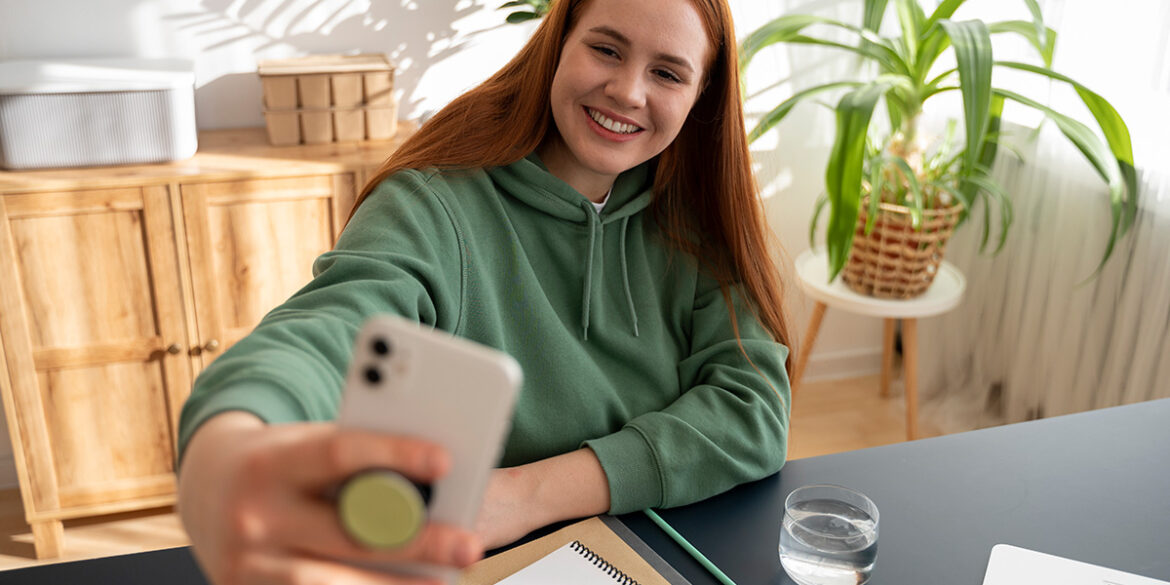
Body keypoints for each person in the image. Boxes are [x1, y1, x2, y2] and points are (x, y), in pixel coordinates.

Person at [176, 0, 795, 583]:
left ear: (699, 97)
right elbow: (335, 326)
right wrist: (234, 432)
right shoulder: (432, 204)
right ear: (558, 42)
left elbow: (753, 409)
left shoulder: (698, 218)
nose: (629, 92)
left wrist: (525, 495)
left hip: (656, 547)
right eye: (607, 50)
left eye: (667, 73)